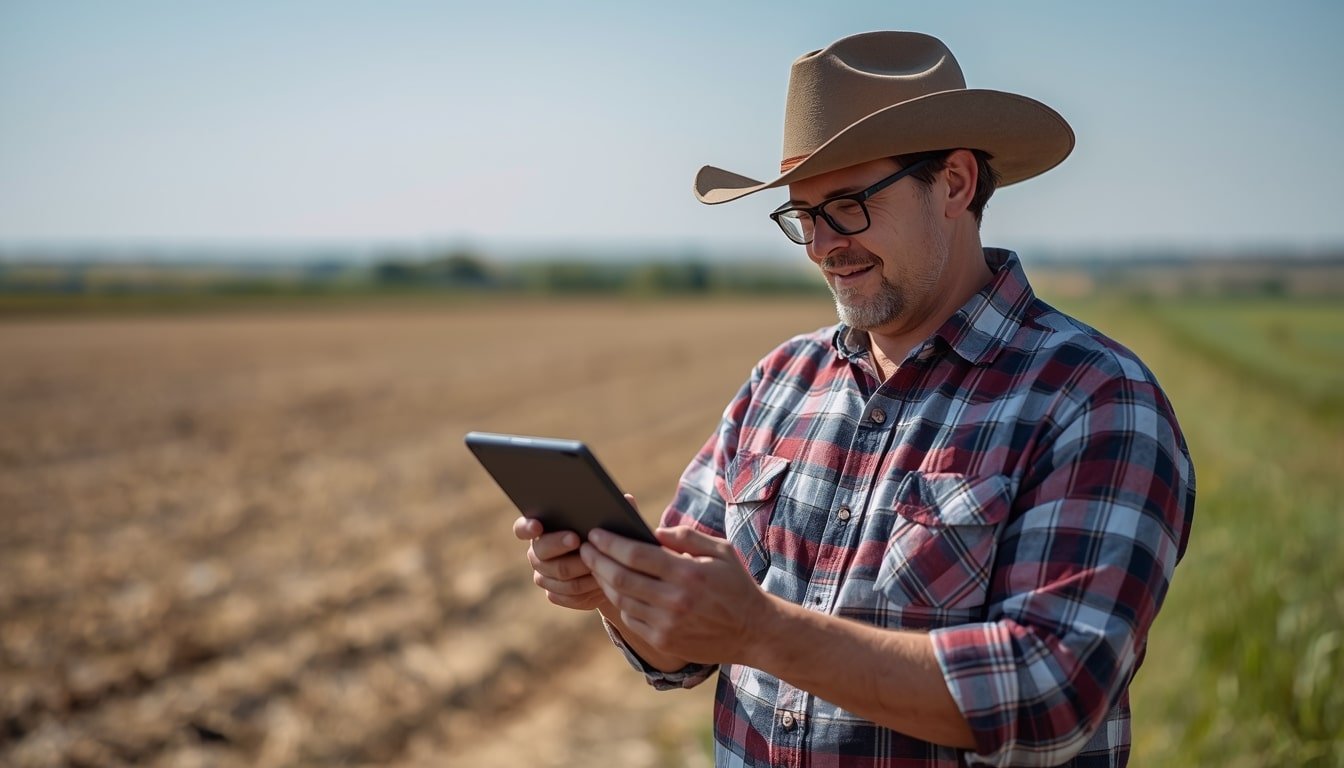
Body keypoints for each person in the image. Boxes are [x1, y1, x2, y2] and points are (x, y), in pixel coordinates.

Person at [514, 30, 1195, 767]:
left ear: (956, 184)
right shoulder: (779, 383)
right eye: (803, 216)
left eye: (846, 204)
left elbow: (1048, 694)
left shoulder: (1095, 398)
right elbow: (682, 650)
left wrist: (762, 631)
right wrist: (616, 587)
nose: (821, 245)